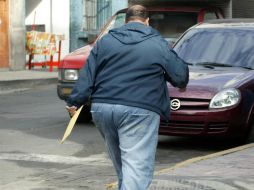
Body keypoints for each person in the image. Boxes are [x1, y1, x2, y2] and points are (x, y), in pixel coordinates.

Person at [66, 5, 189, 190]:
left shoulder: (105, 41)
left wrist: (75, 101)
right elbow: (180, 77)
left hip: (102, 109)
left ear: (125, 21)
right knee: (136, 170)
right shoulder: (158, 43)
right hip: (140, 110)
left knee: (126, 170)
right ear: (147, 21)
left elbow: (88, 73)